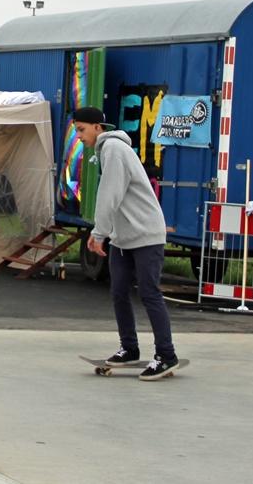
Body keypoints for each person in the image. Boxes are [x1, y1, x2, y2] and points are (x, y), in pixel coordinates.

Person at [73, 106, 180, 380]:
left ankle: (166, 355)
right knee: (119, 291)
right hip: (123, 238)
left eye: (82, 130)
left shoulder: (114, 150)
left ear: (98, 127)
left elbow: (110, 193)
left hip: (145, 234)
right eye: (76, 131)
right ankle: (129, 348)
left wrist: (98, 233)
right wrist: (108, 233)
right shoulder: (104, 152)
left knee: (148, 292)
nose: (80, 136)